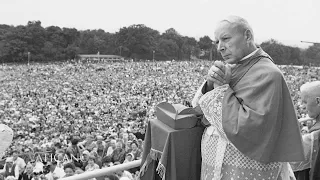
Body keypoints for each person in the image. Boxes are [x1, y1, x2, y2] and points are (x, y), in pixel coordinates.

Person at [192, 15, 304, 179]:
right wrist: (210, 83)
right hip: (216, 164)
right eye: (217, 42)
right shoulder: (233, 66)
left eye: (225, 39)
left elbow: (246, 129)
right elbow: (198, 108)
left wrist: (221, 89)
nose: (220, 48)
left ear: (247, 36)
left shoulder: (268, 74)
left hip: (244, 169)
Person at [290, 81, 320, 180]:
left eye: (305, 102)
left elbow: (288, 158)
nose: (302, 106)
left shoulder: (315, 136)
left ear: (318, 101)